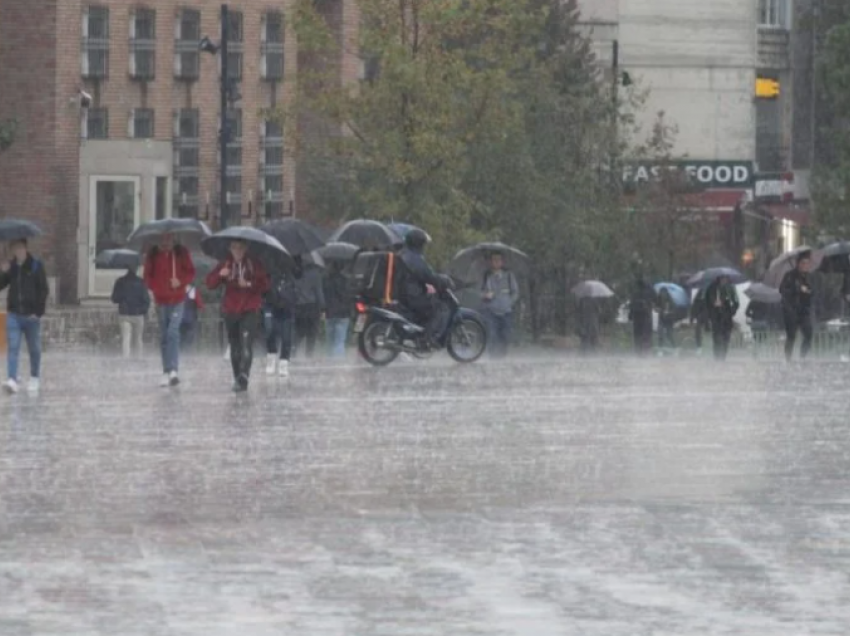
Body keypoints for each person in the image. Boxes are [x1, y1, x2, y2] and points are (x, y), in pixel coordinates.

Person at [206, 240, 270, 392]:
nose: (237, 251)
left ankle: (244, 376)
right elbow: (209, 283)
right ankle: (237, 377)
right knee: (235, 346)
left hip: (250, 308)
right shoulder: (225, 264)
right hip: (231, 310)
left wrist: (248, 284)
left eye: (240, 248)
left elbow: (265, 285)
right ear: (230, 248)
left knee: (246, 344)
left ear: (246, 248)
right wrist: (220, 275)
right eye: (234, 248)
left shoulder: (253, 263)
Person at [143, 233, 195, 387]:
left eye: (168, 239)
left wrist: (180, 281)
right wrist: (156, 288)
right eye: (162, 240)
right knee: (164, 335)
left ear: (174, 239)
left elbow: (190, 272)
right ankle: (165, 370)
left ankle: (173, 370)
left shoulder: (181, 253)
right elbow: (147, 277)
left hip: (178, 299)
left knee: (173, 331)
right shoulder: (153, 255)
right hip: (161, 301)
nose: (166, 243)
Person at [0, 239, 49, 394]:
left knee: (34, 348)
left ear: (26, 248)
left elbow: (44, 290)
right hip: (14, 313)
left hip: (31, 316)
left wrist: (38, 312)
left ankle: (34, 377)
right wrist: (3, 271)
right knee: (13, 347)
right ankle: (12, 379)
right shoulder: (12, 267)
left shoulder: (35, 265)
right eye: (15, 249)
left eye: (20, 248)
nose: (18, 252)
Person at [397, 229, 451, 347]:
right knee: (440, 308)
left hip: (403, 295)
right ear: (419, 243)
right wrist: (444, 280)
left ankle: (418, 333)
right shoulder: (415, 259)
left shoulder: (402, 254)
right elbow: (429, 276)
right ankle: (427, 338)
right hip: (412, 296)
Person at [481, 252, 519, 358]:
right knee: (492, 335)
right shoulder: (486, 276)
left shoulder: (509, 275)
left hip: (506, 311)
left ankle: (502, 356)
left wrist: (509, 303)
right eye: (494, 260)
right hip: (491, 311)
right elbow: (480, 292)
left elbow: (515, 292)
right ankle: (492, 357)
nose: (496, 262)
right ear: (491, 262)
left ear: (502, 262)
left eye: (498, 259)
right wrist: (485, 295)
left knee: (505, 335)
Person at [780, 251, 814, 362]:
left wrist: (808, 291)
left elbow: (812, 292)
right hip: (791, 310)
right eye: (803, 263)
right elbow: (783, 290)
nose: (805, 266)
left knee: (808, 334)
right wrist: (797, 289)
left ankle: (802, 357)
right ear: (798, 263)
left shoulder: (808, 277)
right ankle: (787, 359)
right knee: (791, 336)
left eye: (807, 263)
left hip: (804, 311)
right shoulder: (789, 276)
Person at [110, 265, 150, 358]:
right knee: (138, 339)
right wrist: (143, 311)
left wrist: (123, 298)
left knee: (126, 338)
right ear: (136, 269)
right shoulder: (141, 282)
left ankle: (126, 358)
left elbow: (114, 298)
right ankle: (138, 358)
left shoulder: (120, 281)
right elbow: (146, 300)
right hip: (138, 314)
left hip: (124, 313)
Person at [264, 269, 296, 377]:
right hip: (270, 306)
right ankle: (271, 356)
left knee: (286, 337)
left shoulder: (291, 272)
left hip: (286, 309)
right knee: (269, 331)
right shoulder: (268, 267)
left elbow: (296, 289)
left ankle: (284, 362)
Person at [292, 255, 325, 359]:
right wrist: (323, 307)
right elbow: (319, 293)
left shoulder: (292, 273)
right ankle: (309, 355)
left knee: (299, 332)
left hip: (298, 306)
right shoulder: (315, 274)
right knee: (312, 333)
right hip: (312, 307)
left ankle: (293, 352)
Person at [704, 274, 739, 361]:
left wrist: (732, 311)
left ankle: (723, 356)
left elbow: (736, 302)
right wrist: (713, 305)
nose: (724, 280)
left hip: (727, 317)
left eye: (726, 278)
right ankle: (717, 356)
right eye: (723, 278)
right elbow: (707, 302)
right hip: (716, 317)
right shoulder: (712, 288)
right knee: (717, 337)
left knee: (726, 337)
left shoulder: (730, 288)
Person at [324, 261, 352, 358]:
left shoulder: (326, 281)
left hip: (330, 313)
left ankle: (329, 360)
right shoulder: (346, 281)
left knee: (330, 340)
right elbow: (348, 297)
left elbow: (325, 297)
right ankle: (338, 362)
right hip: (343, 314)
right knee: (339, 341)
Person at [628, 276, 655, 355]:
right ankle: (645, 351)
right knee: (646, 334)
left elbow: (632, 305)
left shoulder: (635, 294)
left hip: (637, 317)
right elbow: (655, 300)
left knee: (637, 334)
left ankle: (638, 351)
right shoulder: (649, 292)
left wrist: (630, 315)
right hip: (646, 317)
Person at [180, 284, 204, 351]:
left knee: (181, 337)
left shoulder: (177, 290)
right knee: (190, 336)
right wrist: (201, 308)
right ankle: (187, 352)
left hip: (179, 318)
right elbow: (200, 304)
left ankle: (181, 352)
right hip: (191, 318)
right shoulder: (193, 291)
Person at [656, 288, 677, 353]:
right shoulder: (659, 300)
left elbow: (674, 311)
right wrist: (657, 309)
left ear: (666, 293)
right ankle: (660, 349)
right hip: (661, 319)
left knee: (669, 335)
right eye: (661, 293)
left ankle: (674, 348)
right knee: (660, 334)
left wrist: (669, 312)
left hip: (669, 320)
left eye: (663, 293)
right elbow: (656, 308)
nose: (662, 295)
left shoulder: (671, 301)